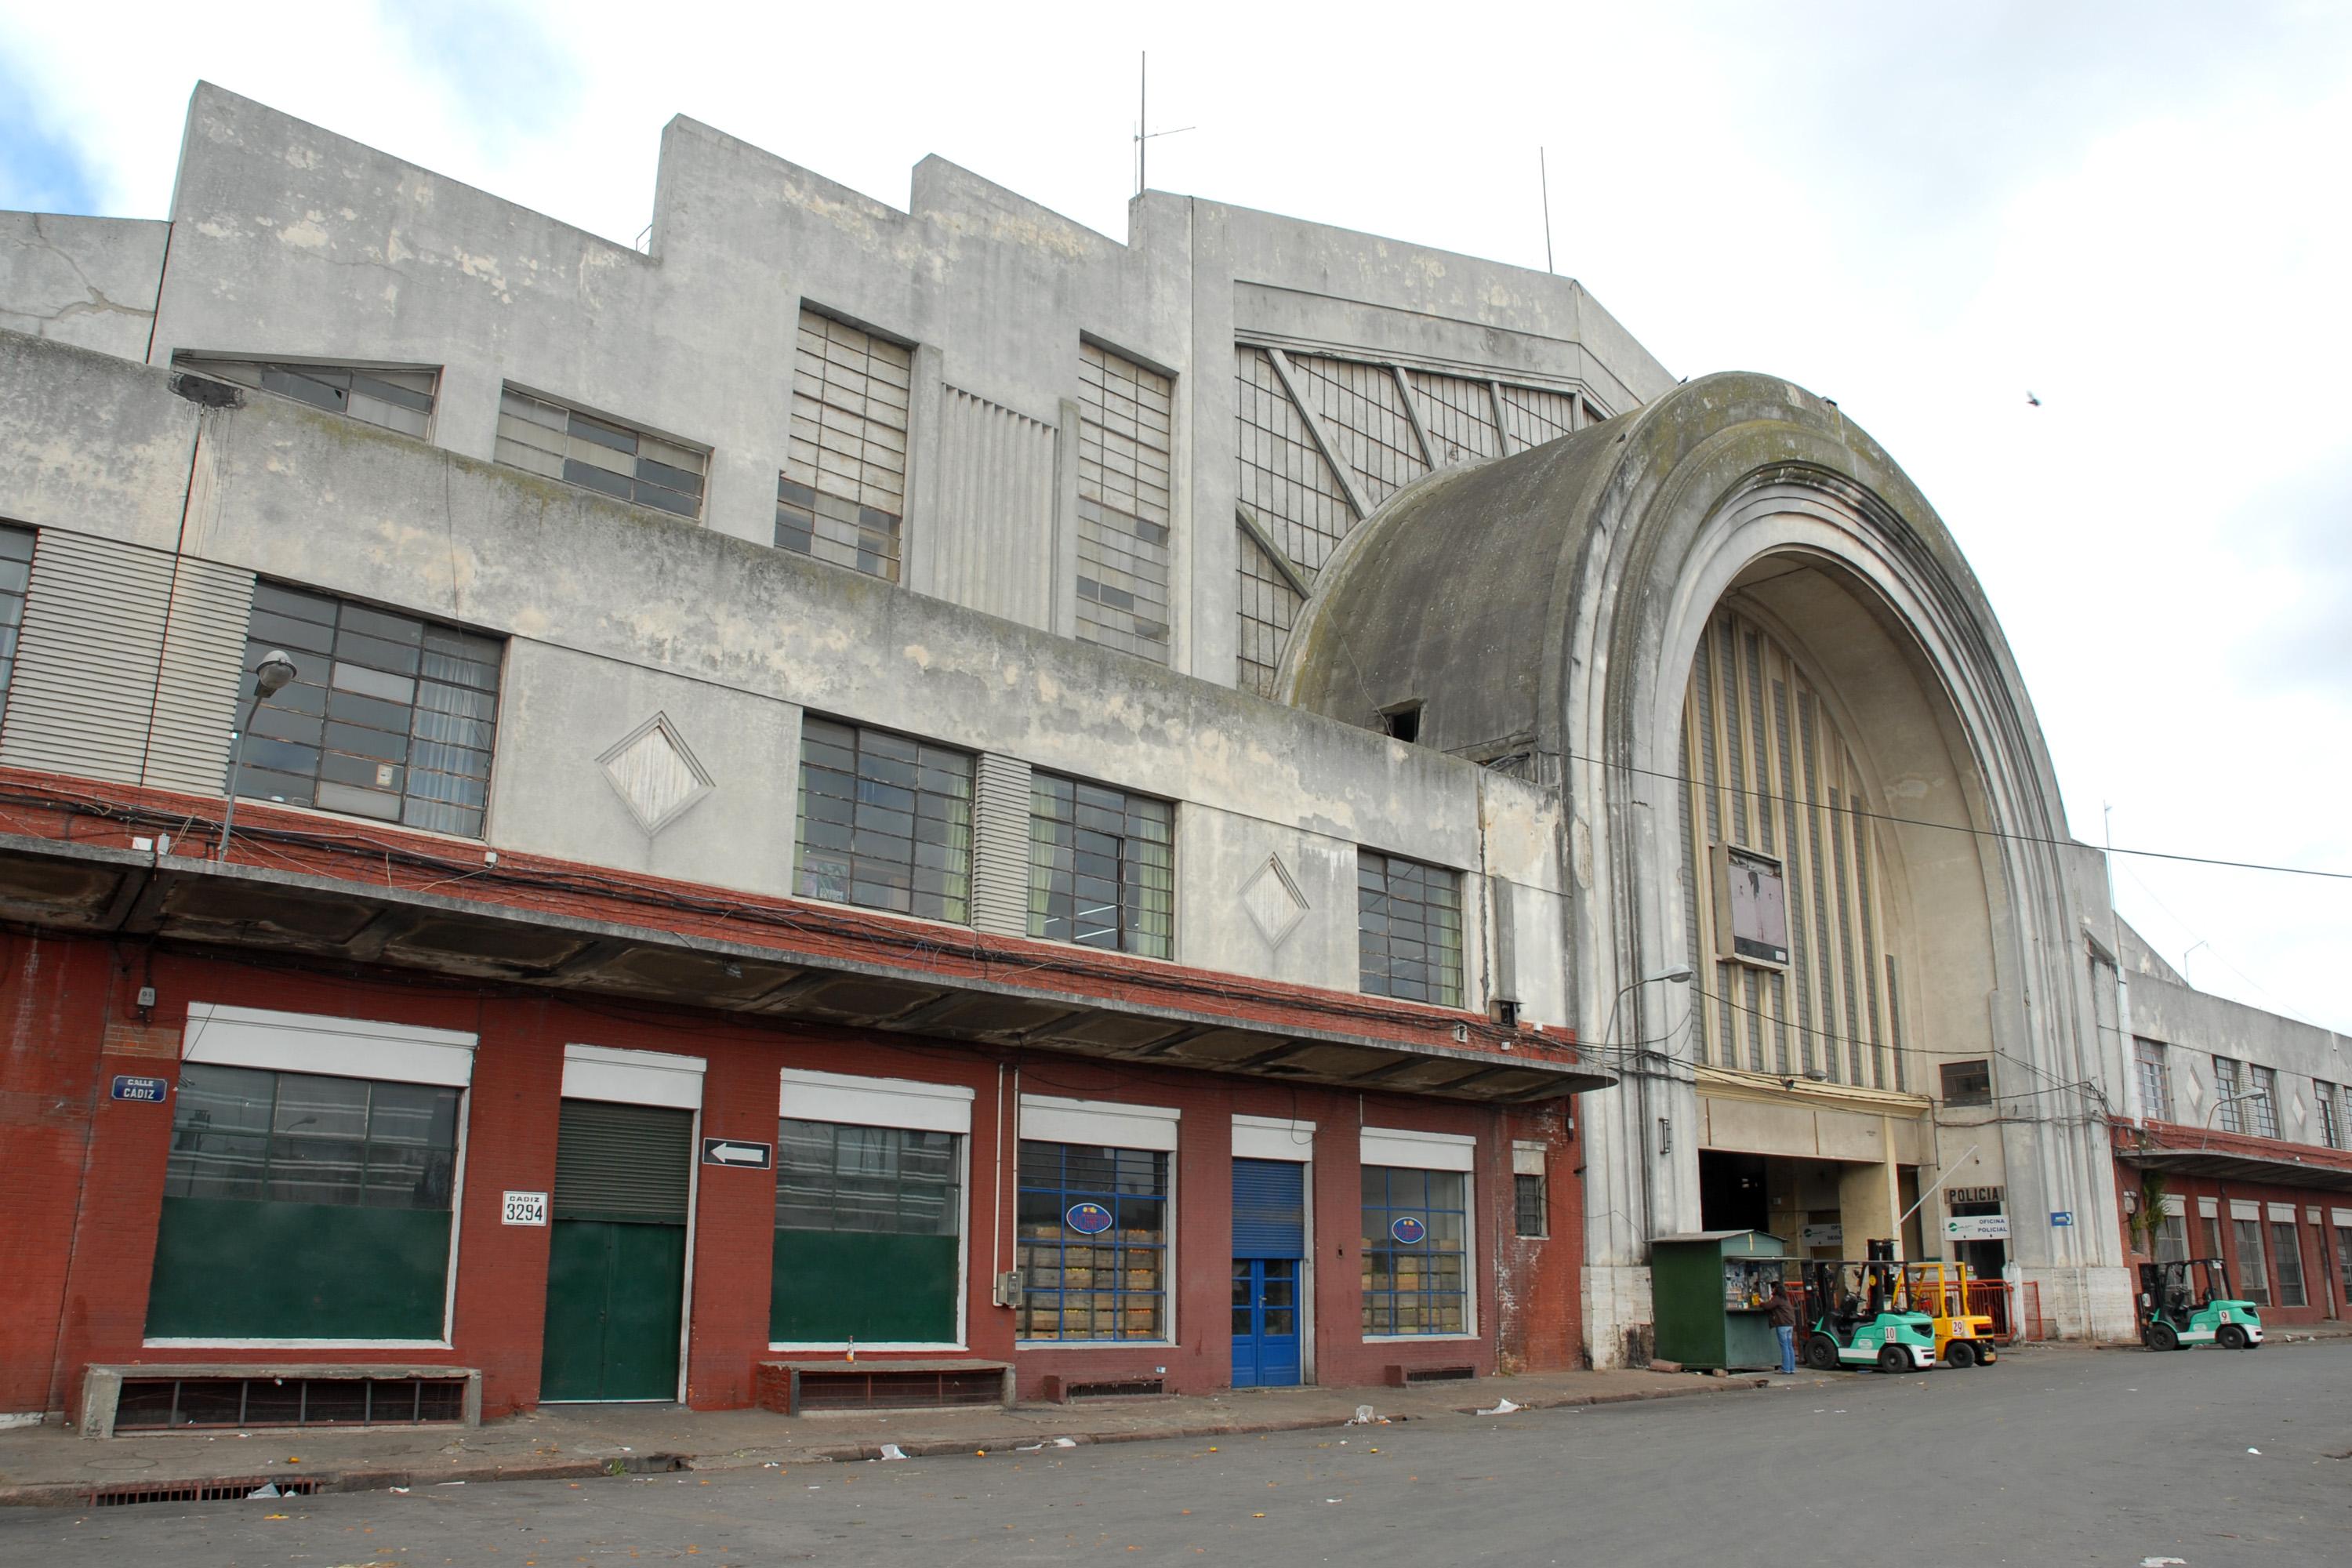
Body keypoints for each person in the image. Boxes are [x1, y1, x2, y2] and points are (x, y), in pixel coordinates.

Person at [1766, 1280, 1798, 1374]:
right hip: (1790, 1324)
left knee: (1784, 1346)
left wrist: (1761, 1303)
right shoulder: (1785, 1298)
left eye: (1772, 1288)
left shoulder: (1777, 1298)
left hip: (1782, 1324)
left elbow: (1768, 1306)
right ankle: (1792, 1368)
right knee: (1789, 1346)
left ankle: (1785, 1368)